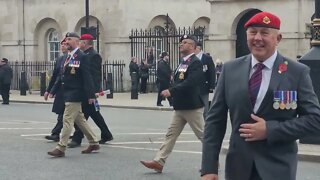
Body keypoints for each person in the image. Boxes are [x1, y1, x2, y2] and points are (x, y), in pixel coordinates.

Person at [201, 12, 320, 180]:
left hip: (277, 169)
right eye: (253, 32)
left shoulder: (297, 72)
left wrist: (270, 130)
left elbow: (315, 120)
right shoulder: (230, 70)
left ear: (278, 38)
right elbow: (214, 121)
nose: (257, 38)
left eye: (264, 33)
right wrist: (209, 168)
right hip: (238, 169)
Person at [140, 34, 204, 173]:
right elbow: (179, 80)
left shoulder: (195, 63)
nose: (181, 44)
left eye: (185, 42)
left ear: (193, 47)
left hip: (191, 106)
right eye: (181, 42)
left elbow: (191, 82)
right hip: (180, 106)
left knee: (203, 135)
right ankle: (159, 161)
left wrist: (172, 91)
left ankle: (212, 161)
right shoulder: (183, 62)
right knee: (171, 135)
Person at [47, 32, 99, 157]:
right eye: (66, 39)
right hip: (66, 92)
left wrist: (91, 94)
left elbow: (87, 76)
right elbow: (61, 76)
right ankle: (93, 142)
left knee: (67, 119)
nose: (67, 41)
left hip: (76, 93)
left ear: (77, 41)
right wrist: (52, 91)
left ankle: (61, 147)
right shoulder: (66, 57)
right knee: (80, 120)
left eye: (69, 39)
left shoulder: (82, 56)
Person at [68, 33, 113, 148]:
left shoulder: (94, 55)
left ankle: (77, 138)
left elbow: (94, 76)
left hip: (89, 91)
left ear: (85, 43)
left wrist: (93, 92)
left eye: (81, 42)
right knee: (94, 114)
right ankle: (106, 134)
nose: (79, 44)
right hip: (84, 90)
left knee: (83, 115)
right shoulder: (82, 55)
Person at [44, 37, 68, 141]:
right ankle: (56, 133)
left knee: (67, 115)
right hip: (60, 90)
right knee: (62, 113)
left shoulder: (73, 58)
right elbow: (55, 76)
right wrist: (49, 90)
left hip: (69, 90)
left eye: (64, 44)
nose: (62, 46)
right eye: (61, 44)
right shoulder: (60, 59)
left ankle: (56, 133)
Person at [195, 42, 216, 118]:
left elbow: (212, 72)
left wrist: (212, 86)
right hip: (194, 87)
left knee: (205, 107)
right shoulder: (192, 57)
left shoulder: (206, 58)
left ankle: (206, 122)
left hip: (204, 86)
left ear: (198, 48)